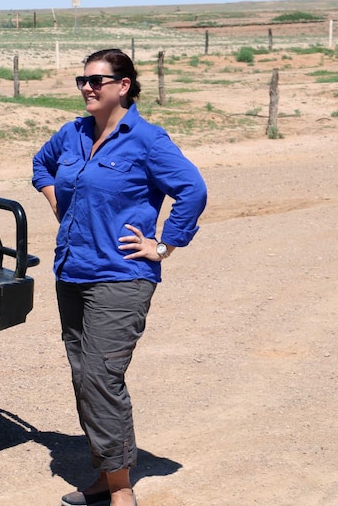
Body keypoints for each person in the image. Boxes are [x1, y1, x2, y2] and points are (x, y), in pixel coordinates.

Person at [32, 48, 207, 506]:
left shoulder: (146, 140)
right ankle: (107, 473)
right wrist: (55, 199)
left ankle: (120, 489)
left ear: (124, 85)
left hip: (123, 276)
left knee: (100, 376)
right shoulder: (71, 134)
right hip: (72, 272)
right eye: (82, 80)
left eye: (97, 80)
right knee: (83, 377)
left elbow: (192, 189)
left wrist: (165, 245)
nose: (87, 87)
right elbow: (41, 165)